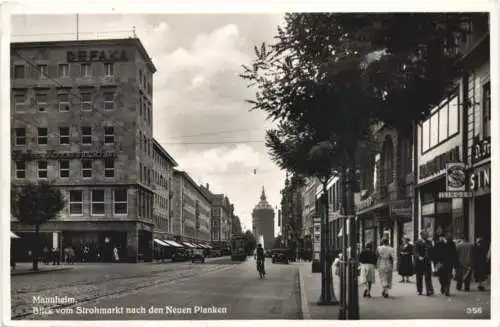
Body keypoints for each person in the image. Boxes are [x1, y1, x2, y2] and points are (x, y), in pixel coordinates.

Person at [433, 232, 458, 296]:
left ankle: (447, 290)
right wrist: (436, 263)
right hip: (440, 263)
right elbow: (435, 253)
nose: (451, 237)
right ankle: (443, 285)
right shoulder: (438, 244)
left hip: (449, 263)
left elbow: (454, 253)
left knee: (448, 276)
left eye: (451, 236)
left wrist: (454, 263)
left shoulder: (452, 244)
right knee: (441, 277)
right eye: (449, 236)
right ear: (445, 236)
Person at [414, 230, 434, 296]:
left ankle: (428, 290)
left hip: (427, 261)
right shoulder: (417, 242)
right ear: (422, 235)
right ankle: (419, 290)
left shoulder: (429, 242)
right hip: (419, 261)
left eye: (427, 234)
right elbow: (415, 251)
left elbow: (431, 251)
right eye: (426, 234)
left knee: (428, 276)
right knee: (419, 276)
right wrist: (419, 256)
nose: (427, 235)